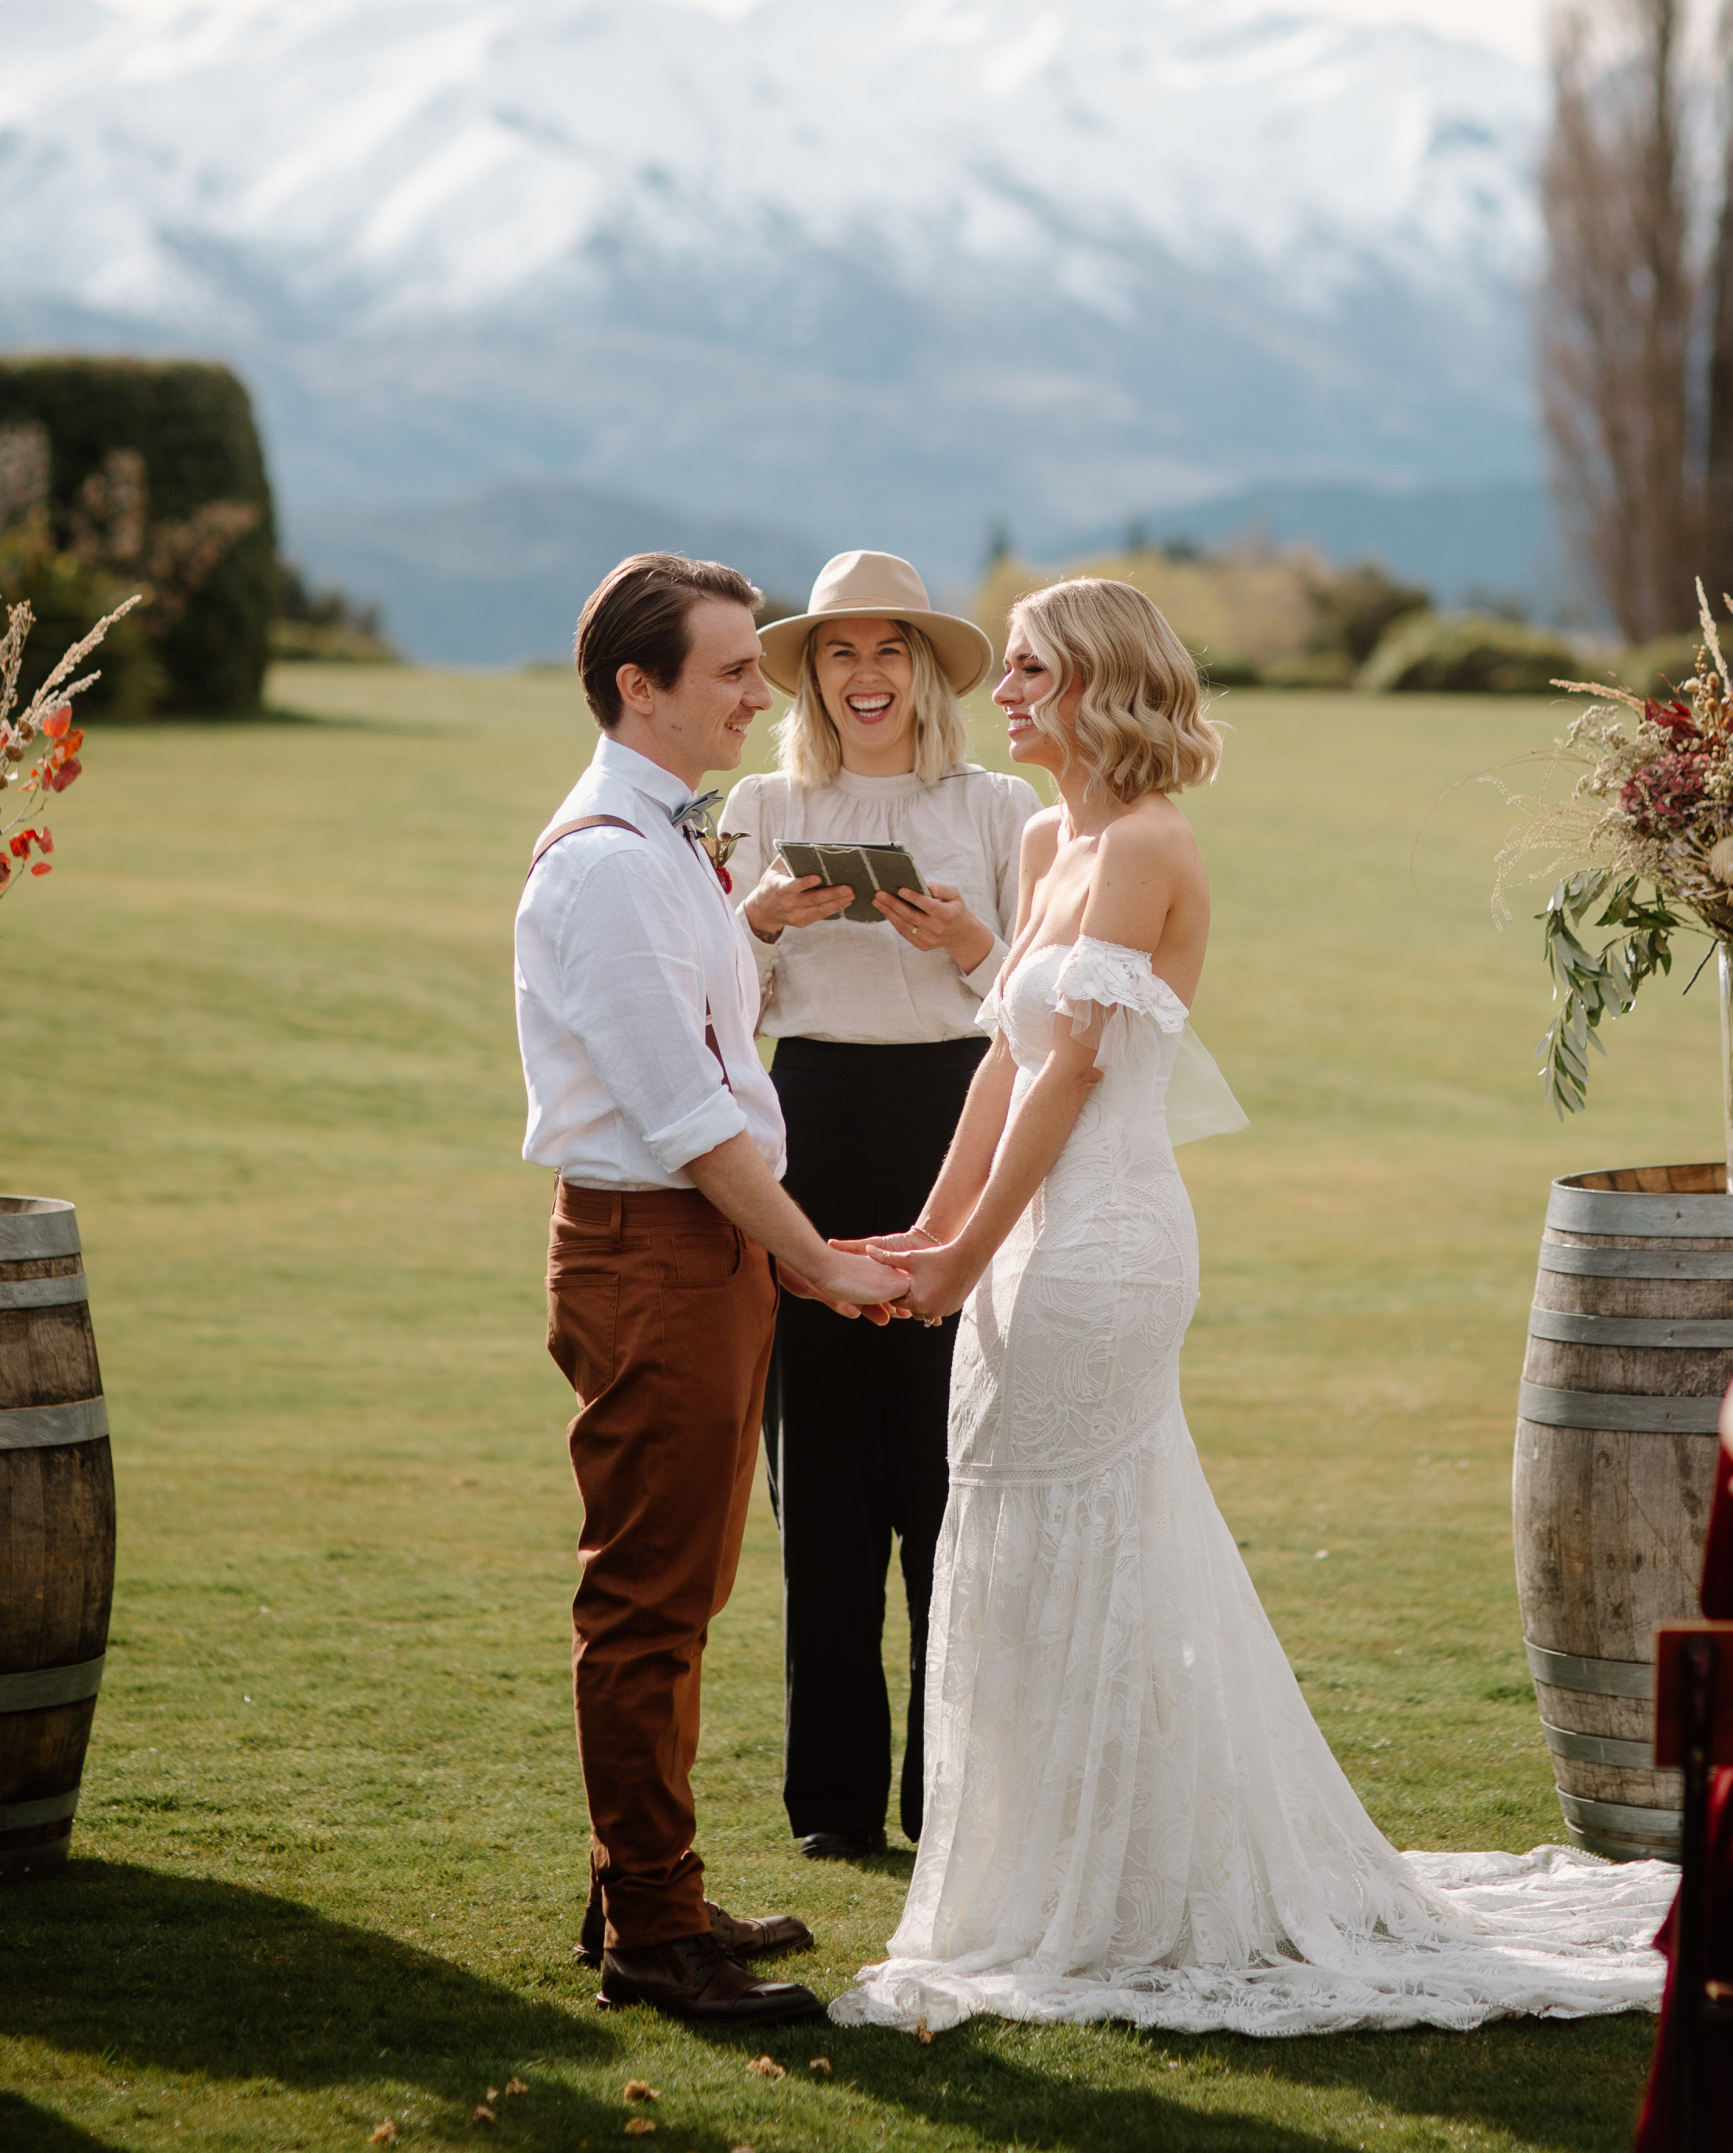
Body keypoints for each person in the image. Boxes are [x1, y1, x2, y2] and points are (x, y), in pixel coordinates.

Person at [831, 576, 1675, 2036]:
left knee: (1090, 1534)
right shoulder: (1049, 840)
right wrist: (936, 1225)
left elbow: (1078, 1072)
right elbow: (999, 1061)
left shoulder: (1149, 846)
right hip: (1027, 1237)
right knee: (1017, 1538)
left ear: (1097, 684)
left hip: (1105, 1246)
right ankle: (1055, 1873)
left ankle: (1132, 1890)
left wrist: (965, 1260)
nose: (1005, 694)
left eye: (1029, 670)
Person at [513, 552, 908, 2030]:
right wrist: (810, 1256)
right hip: (654, 1249)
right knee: (648, 1600)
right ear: (640, 685)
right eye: (735, 669)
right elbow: (680, 1118)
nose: (764, 692)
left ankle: (645, 1887)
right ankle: (654, 1938)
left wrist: (747, 927)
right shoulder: (610, 861)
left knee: (684, 1585)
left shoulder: (665, 847)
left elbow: (686, 1020)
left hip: (697, 1249)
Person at [722, 551, 1040, 1862]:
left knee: (951, 1477)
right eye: (839, 653)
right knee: (825, 1488)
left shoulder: (999, 805)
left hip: (959, 1129)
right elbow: (707, 1015)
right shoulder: (754, 803)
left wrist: (967, 943)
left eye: (888, 650)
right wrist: (753, 922)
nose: (865, 675)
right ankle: (835, 1812)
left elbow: (1056, 1002)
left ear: (923, 669)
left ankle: (952, 1804)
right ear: (809, 673)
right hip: (813, 1134)